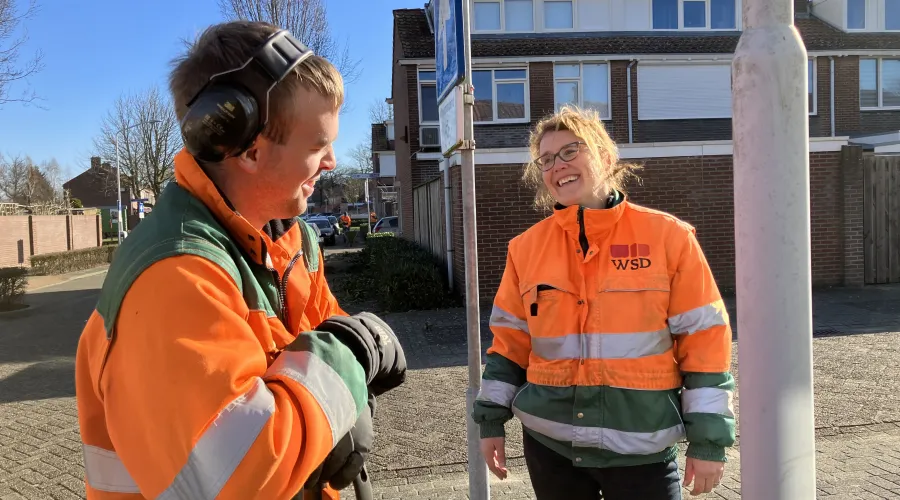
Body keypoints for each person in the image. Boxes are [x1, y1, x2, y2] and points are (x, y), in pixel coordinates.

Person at [74, 21, 406, 500]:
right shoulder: (175, 278)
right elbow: (240, 476)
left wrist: (340, 373)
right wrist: (352, 355)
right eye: (317, 145)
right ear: (250, 151)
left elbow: (321, 343)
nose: (332, 161)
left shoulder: (293, 242)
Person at [473, 105, 736, 500]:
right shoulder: (524, 250)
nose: (557, 165)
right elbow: (509, 343)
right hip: (551, 447)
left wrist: (709, 442)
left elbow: (705, 343)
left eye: (569, 151)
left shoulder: (669, 238)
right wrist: (491, 422)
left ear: (607, 157)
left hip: (641, 451)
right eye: (545, 159)